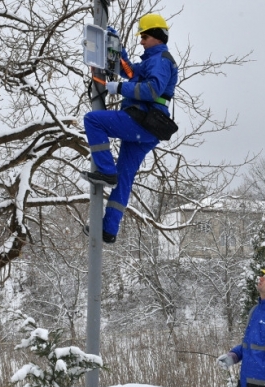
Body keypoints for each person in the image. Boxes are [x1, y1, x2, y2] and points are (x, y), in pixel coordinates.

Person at [83, 13, 179, 244]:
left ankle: (106, 171)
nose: (142, 40)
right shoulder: (152, 60)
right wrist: (116, 49)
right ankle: (109, 228)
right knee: (125, 177)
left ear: (156, 36)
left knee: (93, 120)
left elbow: (151, 89)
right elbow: (129, 71)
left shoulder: (161, 59)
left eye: (144, 36)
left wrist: (120, 89)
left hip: (142, 120)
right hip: (149, 128)